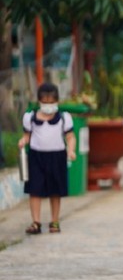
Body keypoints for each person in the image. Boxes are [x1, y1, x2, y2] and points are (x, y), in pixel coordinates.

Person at [18, 82, 77, 234]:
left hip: (57, 156)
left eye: (52, 102)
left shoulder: (64, 118)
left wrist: (71, 151)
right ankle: (36, 222)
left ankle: (55, 221)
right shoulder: (30, 118)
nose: (48, 105)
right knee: (35, 190)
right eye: (45, 102)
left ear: (57, 101)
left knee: (55, 191)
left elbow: (70, 137)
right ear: (39, 101)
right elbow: (27, 135)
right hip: (36, 157)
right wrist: (23, 141)